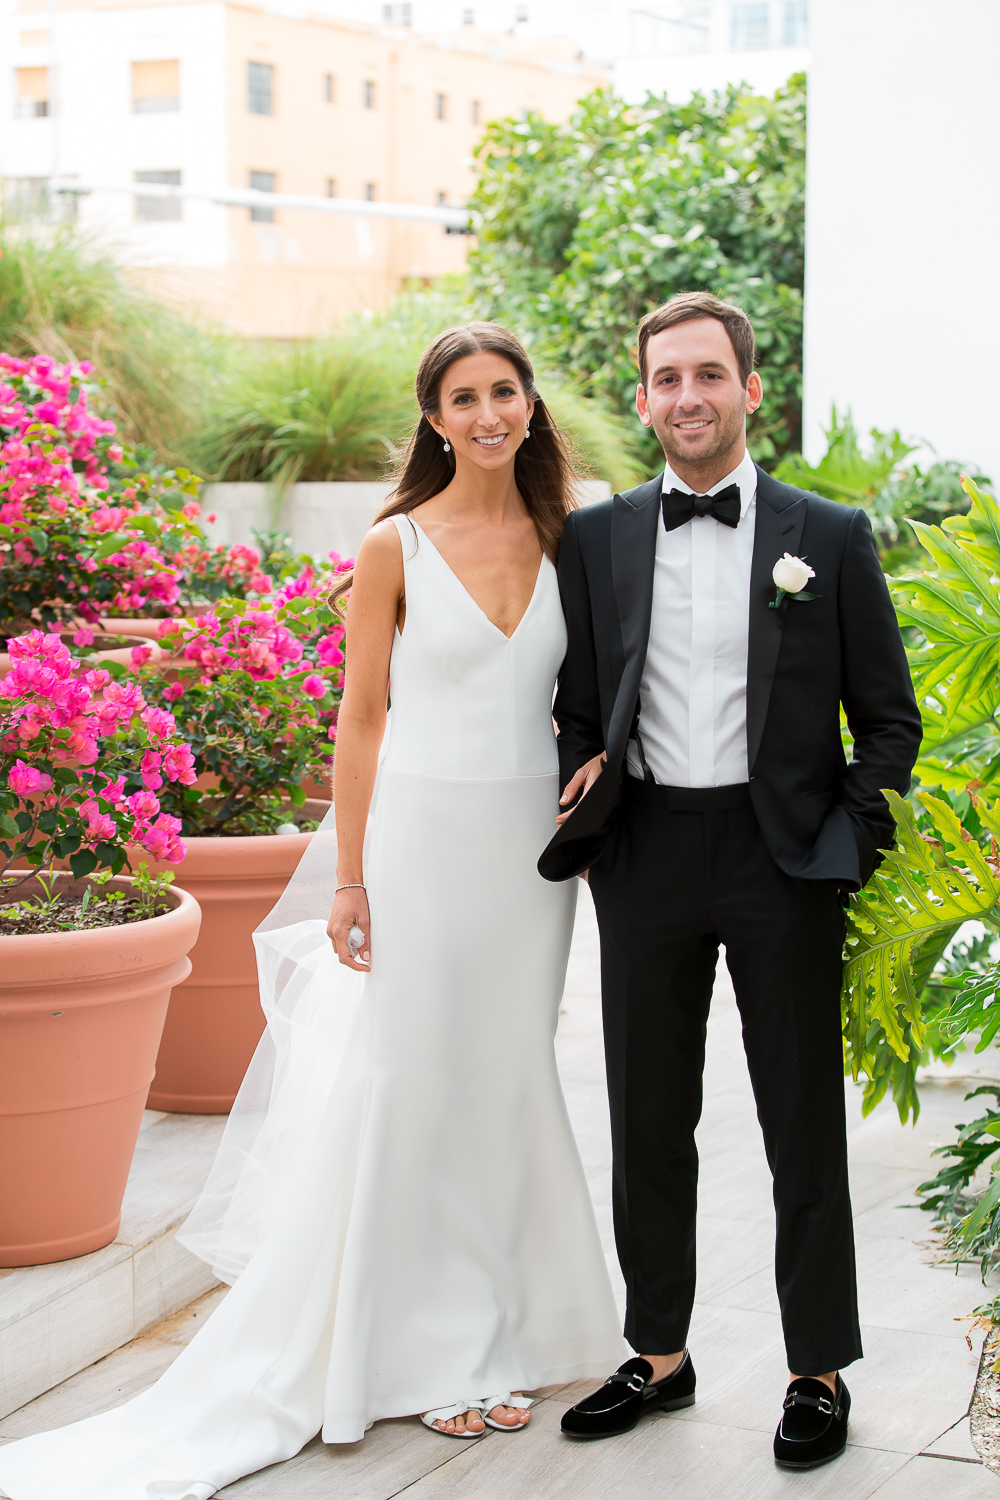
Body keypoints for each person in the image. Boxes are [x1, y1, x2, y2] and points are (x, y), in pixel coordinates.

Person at [0, 323, 625, 1500]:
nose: (487, 412)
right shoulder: (393, 545)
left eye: (504, 391)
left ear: (531, 408)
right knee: (418, 1078)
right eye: (462, 396)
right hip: (423, 844)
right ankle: (438, 1340)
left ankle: (517, 1319)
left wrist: (593, 768)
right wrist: (348, 875)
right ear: (434, 420)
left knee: (507, 1075)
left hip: (529, 855)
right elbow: (361, 720)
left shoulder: (570, 540)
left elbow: (595, 689)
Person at [540, 291, 922, 1470]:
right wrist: (585, 783)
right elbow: (572, 704)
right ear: (643, 394)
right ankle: (657, 1352)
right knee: (647, 1117)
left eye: (710, 375)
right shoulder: (595, 541)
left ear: (751, 390)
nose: (688, 398)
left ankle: (816, 1370)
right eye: (666, 379)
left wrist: (842, 839)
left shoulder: (830, 536)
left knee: (798, 1122)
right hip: (645, 851)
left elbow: (890, 724)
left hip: (784, 860)